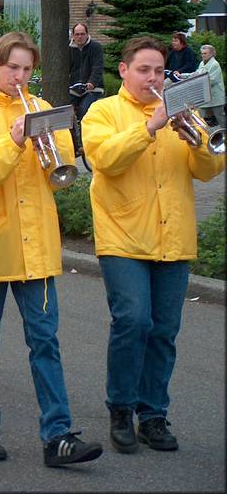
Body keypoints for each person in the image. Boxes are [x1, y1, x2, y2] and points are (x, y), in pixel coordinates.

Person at [0, 32, 102, 467]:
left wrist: (51, 148)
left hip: (35, 245)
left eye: (27, 69)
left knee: (45, 342)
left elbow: (64, 164)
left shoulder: (41, 109)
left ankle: (57, 435)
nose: (20, 77)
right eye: (12, 68)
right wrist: (14, 141)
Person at [81, 36, 224, 455]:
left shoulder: (184, 113)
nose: (152, 78)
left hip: (174, 237)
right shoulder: (102, 111)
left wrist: (196, 140)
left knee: (164, 332)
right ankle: (122, 408)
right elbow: (104, 159)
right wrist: (150, 127)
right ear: (124, 70)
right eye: (144, 70)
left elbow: (208, 170)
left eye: (159, 71)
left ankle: (154, 414)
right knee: (133, 322)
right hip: (123, 237)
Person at [175, 44, 225, 128]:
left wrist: (195, 82)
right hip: (205, 97)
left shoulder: (215, 64)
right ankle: (203, 134)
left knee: (220, 118)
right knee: (199, 116)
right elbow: (196, 74)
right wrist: (182, 75)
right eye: (202, 53)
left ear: (212, 54)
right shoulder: (202, 63)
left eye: (205, 53)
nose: (203, 55)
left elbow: (211, 80)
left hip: (216, 97)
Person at [68, 22, 104, 122]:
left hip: (92, 89)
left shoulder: (95, 47)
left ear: (87, 34)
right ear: (73, 36)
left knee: (84, 110)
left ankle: (84, 134)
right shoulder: (68, 49)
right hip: (74, 89)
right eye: (77, 34)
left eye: (82, 34)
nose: (80, 37)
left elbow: (98, 66)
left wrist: (92, 82)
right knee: (65, 111)